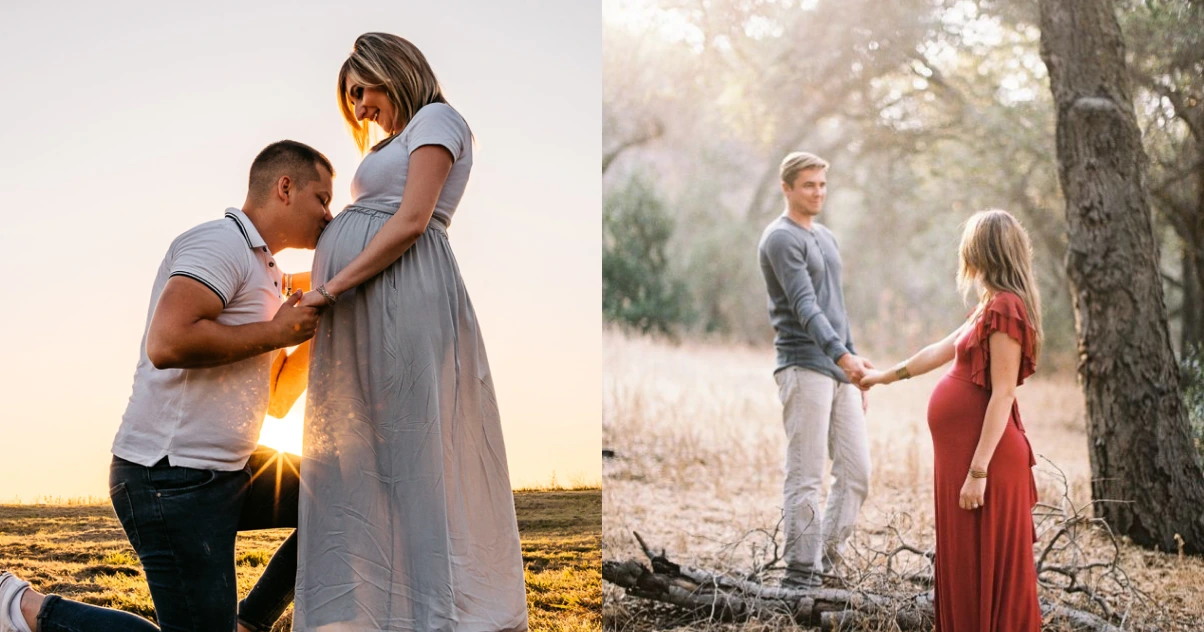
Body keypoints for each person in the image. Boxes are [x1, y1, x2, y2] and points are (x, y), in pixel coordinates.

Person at [0, 140, 334, 632]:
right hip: (169, 479)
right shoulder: (220, 243)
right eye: (321, 198)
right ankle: (20, 605)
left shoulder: (268, 273)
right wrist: (277, 332)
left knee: (339, 495)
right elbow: (168, 340)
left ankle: (248, 623)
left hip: (227, 470)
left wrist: (316, 321)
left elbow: (279, 401)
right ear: (285, 187)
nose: (329, 214)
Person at [292, 33, 528, 631]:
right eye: (351, 102)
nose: (361, 110)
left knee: (412, 450)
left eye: (362, 92)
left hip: (402, 291)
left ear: (392, 71)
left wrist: (332, 287)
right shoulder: (399, 136)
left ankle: (432, 616)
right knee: (368, 454)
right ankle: (381, 612)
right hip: (368, 294)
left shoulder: (438, 120)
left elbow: (412, 220)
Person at [860, 209, 1043, 631]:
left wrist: (977, 471)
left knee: (985, 567)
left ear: (983, 251)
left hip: (986, 462)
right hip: (964, 459)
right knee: (965, 563)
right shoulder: (988, 307)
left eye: (969, 248)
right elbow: (936, 351)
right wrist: (882, 378)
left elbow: (1003, 394)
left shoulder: (1006, 309)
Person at [756, 151, 874, 589]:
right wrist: (842, 357)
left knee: (857, 471)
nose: (818, 192)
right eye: (809, 185)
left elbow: (835, 309)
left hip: (838, 367)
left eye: (823, 184)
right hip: (803, 364)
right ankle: (801, 574)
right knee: (806, 474)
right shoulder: (780, 238)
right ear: (786, 188)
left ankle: (824, 557)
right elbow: (805, 307)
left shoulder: (826, 236)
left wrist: (854, 364)